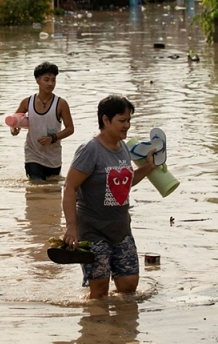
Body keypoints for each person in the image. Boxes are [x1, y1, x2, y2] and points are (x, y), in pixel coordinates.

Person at [61, 95, 156, 299]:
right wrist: (71, 227)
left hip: (121, 229)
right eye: (122, 121)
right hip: (93, 231)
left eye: (129, 120)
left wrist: (148, 168)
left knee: (129, 286)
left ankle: (118, 326)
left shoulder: (123, 147)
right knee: (99, 290)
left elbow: (124, 182)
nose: (127, 125)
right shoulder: (90, 150)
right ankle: (97, 327)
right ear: (105, 120)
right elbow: (69, 187)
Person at [11, 61, 74, 181]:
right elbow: (14, 121)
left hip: (53, 156)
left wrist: (53, 138)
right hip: (32, 155)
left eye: (53, 80)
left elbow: (70, 129)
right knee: (36, 186)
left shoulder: (61, 104)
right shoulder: (27, 102)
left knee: (53, 190)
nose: (50, 83)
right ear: (37, 80)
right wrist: (14, 130)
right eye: (46, 80)